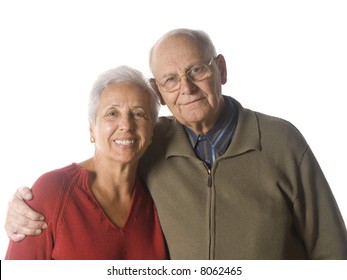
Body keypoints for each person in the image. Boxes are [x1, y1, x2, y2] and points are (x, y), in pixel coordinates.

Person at [5, 29, 347, 259]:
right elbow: (109, 155)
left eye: (197, 69)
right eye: (170, 79)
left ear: (221, 70)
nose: (186, 87)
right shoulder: (149, 143)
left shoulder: (281, 141)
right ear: (160, 92)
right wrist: (27, 203)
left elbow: (333, 251)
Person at [5, 65, 168, 260]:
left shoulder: (160, 200)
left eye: (139, 113)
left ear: (151, 132)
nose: (126, 124)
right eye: (112, 113)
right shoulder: (52, 192)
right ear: (92, 129)